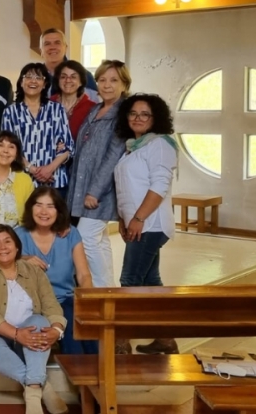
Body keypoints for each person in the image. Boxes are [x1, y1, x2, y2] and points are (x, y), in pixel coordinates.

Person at [0, 225, 68, 414]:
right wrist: (16, 334)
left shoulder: (33, 271)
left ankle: (33, 399)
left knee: (38, 321)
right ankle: (40, 386)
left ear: (17, 247)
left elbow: (51, 305)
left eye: (7, 241)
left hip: (31, 331)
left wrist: (56, 330)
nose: (2, 247)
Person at [114, 93, 179, 355]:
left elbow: (159, 186)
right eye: (133, 113)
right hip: (139, 223)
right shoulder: (134, 145)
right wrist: (123, 218)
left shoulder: (160, 145)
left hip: (150, 224)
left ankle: (121, 342)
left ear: (156, 118)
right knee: (151, 282)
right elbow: (128, 188)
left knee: (130, 280)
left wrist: (138, 218)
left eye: (145, 114)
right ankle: (165, 340)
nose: (138, 118)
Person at [66, 60, 130, 289]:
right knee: (100, 239)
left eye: (114, 80)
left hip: (103, 189)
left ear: (124, 83)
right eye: (102, 79)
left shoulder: (123, 113)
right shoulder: (95, 108)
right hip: (82, 184)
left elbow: (114, 154)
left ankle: (101, 291)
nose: (107, 85)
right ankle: (108, 289)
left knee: (86, 236)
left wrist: (94, 191)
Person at [15, 187, 96, 355]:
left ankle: (100, 374)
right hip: (33, 302)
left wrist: (88, 304)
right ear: (30, 208)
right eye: (39, 205)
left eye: (50, 206)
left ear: (59, 210)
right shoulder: (18, 235)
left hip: (65, 298)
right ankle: (80, 376)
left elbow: (83, 274)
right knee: (69, 328)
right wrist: (24, 259)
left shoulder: (70, 233)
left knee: (84, 323)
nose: (44, 211)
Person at [2, 63, 73, 198]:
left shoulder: (57, 109)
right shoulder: (10, 112)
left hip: (55, 180)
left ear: (45, 83)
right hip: (22, 181)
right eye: (28, 77)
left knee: (55, 218)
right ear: (21, 82)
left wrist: (49, 169)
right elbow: (8, 149)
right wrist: (32, 169)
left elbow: (68, 145)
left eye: (39, 77)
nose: (33, 81)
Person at [40, 28, 97, 99]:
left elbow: (94, 105)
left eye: (57, 43)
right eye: (47, 44)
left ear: (65, 48)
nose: (52, 47)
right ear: (41, 50)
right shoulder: (34, 77)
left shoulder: (83, 75)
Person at [50, 60, 98, 140]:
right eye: (63, 77)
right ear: (58, 80)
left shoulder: (92, 108)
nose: (68, 80)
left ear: (81, 82)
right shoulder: (48, 104)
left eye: (73, 77)